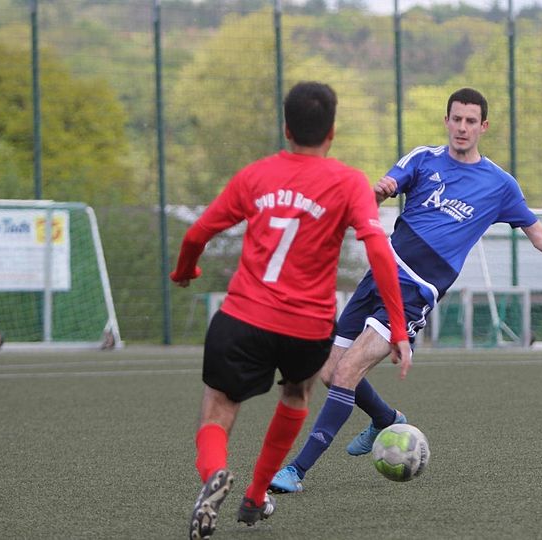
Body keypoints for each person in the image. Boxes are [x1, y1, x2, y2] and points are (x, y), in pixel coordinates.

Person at [269, 87, 542, 493]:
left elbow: (540, 236)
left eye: (471, 121)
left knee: (348, 371)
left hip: (415, 292)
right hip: (379, 277)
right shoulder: (423, 159)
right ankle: (385, 418)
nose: (462, 127)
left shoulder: (499, 185)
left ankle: (296, 471)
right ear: (446, 121)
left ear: (483, 127)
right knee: (329, 371)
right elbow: (381, 191)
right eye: (456, 119)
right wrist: (378, 192)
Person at [171, 81, 411, 540]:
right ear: (332, 132)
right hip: (307, 326)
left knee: (219, 406)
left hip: (242, 316)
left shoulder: (255, 176)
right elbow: (379, 252)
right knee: (296, 395)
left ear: (286, 128)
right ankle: (256, 494)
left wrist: (185, 271)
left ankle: (215, 473)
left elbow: (197, 233)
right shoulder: (349, 182)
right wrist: (397, 327)